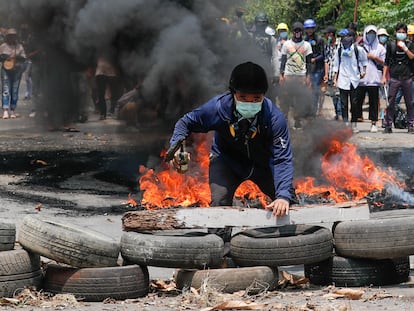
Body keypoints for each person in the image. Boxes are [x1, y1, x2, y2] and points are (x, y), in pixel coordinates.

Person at [166, 61, 294, 220]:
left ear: (264, 96)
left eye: (256, 98)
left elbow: (282, 159)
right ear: (233, 94)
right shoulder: (216, 108)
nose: (249, 103)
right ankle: (221, 241)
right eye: (242, 97)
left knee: (289, 203)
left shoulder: (274, 118)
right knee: (219, 209)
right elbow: (185, 123)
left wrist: (282, 196)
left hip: (262, 165)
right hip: (226, 162)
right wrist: (177, 146)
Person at [279, 21, 313, 129]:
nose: (297, 32)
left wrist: (308, 77)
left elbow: (309, 62)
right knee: (286, 99)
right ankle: (284, 120)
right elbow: (283, 61)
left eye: (299, 31)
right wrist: (281, 75)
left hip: (301, 76)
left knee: (299, 100)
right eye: (295, 30)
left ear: (302, 32)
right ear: (293, 32)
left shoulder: (307, 45)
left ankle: (297, 120)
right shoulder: (286, 44)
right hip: (288, 75)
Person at [333, 29, 368, 133]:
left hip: (354, 79)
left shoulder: (358, 49)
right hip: (343, 79)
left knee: (354, 103)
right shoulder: (339, 50)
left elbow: (364, 60)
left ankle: (354, 123)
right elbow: (336, 65)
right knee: (343, 103)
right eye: (342, 37)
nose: (344, 39)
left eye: (345, 37)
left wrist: (363, 71)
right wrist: (335, 79)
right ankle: (345, 124)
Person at [382, 23, 414, 133]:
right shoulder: (391, 45)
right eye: (399, 32)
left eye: (403, 32)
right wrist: (384, 77)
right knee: (391, 102)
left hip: (407, 77)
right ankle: (388, 124)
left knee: (409, 103)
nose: (401, 34)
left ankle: (411, 124)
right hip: (394, 77)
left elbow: (412, 57)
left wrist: (404, 48)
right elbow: (386, 62)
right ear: (396, 33)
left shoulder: (410, 44)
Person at [355, 25, 386, 133]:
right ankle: (355, 122)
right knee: (357, 101)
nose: (371, 36)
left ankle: (373, 123)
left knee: (373, 102)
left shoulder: (380, 48)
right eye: (369, 33)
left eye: (373, 33)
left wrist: (375, 58)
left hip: (374, 79)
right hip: (361, 79)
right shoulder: (359, 47)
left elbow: (385, 62)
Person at [0, 28, 26, 119]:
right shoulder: (3, 46)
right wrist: (5, 57)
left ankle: (12, 110)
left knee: (14, 90)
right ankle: (5, 110)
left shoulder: (19, 47)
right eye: (10, 36)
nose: (12, 38)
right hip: (5, 70)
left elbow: (24, 58)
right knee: (5, 90)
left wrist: (18, 58)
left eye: (13, 36)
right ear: (7, 37)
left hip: (17, 70)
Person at [304, 19, 325, 115]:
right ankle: (307, 109)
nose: (309, 30)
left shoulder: (319, 39)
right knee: (306, 89)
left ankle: (314, 110)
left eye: (311, 28)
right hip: (307, 68)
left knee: (315, 90)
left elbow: (322, 54)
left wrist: (314, 59)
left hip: (317, 69)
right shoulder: (304, 40)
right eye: (308, 28)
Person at [323, 25, 342, 120]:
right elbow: (326, 60)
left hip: (339, 73)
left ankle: (340, 114)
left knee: (339, 94)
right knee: (333, 95)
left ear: (331, 34)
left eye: (326, 34)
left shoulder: (341, 44)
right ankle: (337, 113)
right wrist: (326, 74)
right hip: (330, 73)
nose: (325, 36)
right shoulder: (327, 46)